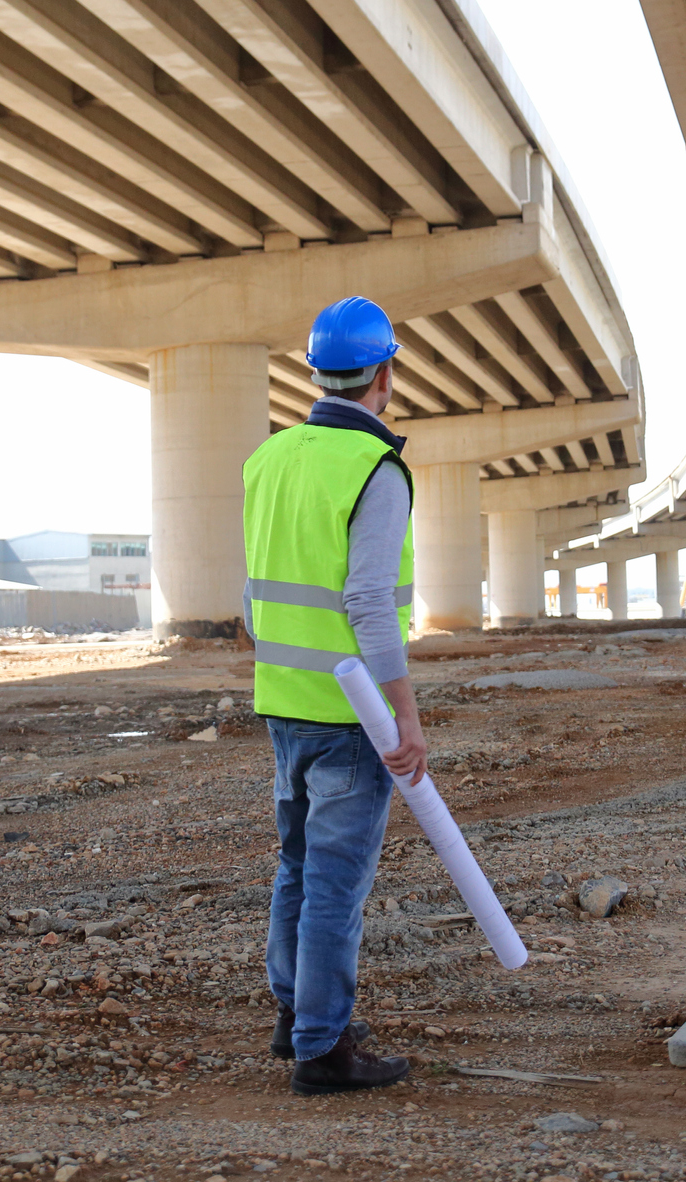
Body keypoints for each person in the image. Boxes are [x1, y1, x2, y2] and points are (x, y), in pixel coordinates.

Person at [241, 294, 428, 1096]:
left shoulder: (268, 459)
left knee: (295, 870)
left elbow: (250, 595)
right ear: (383, 373)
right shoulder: (374, 468)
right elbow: (366, 604)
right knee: (334, 887)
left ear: (317, 372)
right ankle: (322, 1049)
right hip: (351, 715)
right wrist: (404, 713)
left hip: (283, 702)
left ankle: (294, 1018)